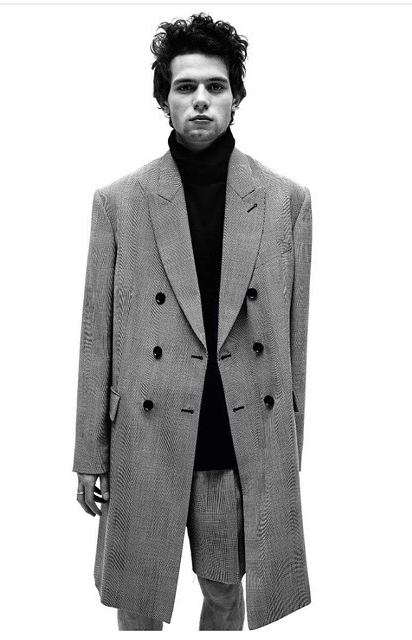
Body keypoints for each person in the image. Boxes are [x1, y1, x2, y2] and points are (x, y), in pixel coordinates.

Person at [73, 12, 313, 631]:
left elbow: (295, 340)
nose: (201, 100)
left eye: (215, 86)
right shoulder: (119, 203)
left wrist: (288, 452)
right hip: (144, 435)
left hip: (234, 437)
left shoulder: (286, 202)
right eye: (185, 87)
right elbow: (96, 339)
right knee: (137, 602)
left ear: (236, 97)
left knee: (226, 594)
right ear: (165, 100)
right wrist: (88, 452)